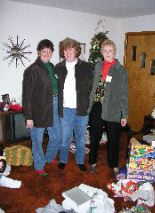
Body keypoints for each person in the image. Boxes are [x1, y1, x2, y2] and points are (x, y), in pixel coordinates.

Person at [88, 39, 128, 174]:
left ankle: (113, 163)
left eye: (110, 50)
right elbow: (93, 88)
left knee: (113, 139)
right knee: (95, 136)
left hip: (113, 108)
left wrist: (124, 114)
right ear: (102, 52)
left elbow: (124, 93)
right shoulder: (98, 66)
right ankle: (92, 162)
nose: (108, 53)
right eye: (105, 50)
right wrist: (89, 106)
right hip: (97, 105)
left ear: (115, 52)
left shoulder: (120, 70)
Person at [22, 39, 61, 176]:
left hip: (54, 106)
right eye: (43, 51)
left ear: (52, 53)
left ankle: (49, 157)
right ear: (38, 52)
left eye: (49, 51)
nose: (46, 53)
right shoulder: (32, 70)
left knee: (57, 136)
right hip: (38, 110)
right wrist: (29, 117)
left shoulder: (52, 66)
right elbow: (26, 96)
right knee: (37, 140)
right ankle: (39, 165)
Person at [55, 37, 93, 171]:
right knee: (65, 137)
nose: (68, 52)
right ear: (63, 52)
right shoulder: (58, 68)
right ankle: (63, 159)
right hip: (65, 109)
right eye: (65, 49)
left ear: (76, 51)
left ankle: (80, 161)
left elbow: (91, 87)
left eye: (71, 49)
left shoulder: (86, 67)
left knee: (81, 138)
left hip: (81, 108)